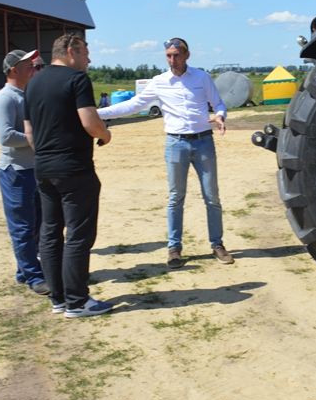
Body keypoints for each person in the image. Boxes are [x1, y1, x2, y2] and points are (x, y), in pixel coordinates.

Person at [97, 36, 232, 269]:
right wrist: (96, 113)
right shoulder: (160, 82)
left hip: (203, 142)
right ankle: (174, 248)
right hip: (175, 144)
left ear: (187, 55)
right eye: (169, 55)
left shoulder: (202, 77)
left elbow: (218, 103)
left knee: (212, 196)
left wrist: (220, 116)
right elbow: (133, 105)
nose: (172, 60)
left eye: (177, 55)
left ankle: (217, 244)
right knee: (175, 198)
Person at [24, 33, 114, 319]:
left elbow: (29, 132)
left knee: (50, 232)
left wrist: (46, 155)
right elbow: (89, 121)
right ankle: (78, 301)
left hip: (44, 167)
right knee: (78, 234)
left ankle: (59, 298)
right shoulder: (77, 80)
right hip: (74, 168)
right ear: (72, 50)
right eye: (86, 52)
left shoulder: (33, 82)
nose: (89, 58)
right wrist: (106, 134)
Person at [0, 48, 48, 296]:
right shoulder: (5, 99)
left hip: (32, 169)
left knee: (36, 224)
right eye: (28, 65)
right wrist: (39, 137)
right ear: (14, 69)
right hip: (16, 171)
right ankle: (34, 276)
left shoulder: (26, 95)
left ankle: (25, 271)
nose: (33, 68)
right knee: (23, 227)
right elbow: (5, 136)